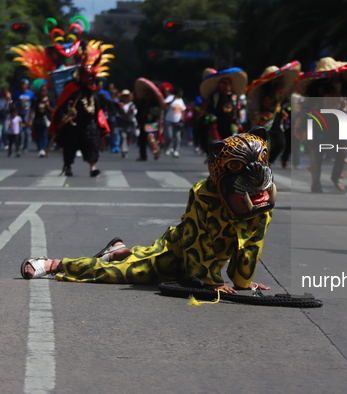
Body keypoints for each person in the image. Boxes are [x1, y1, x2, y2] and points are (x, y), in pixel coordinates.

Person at [21, 127, 277, 294]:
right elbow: (197, 244)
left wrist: (244, 282)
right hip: (177, 255)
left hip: (185, 259)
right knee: (120, 274)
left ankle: (118, 250)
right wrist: (211, 282)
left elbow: (252, 242)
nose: (255, 175)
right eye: (237, 166)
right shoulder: (205, 196)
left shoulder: (260, 198)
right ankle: (52, 264)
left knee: (140, 255)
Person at [296, 56, 347, 192]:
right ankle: (316, 183)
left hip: (339, 122)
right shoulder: (315, 87)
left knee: (343, 150)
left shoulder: (344, 85)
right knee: (317, 152)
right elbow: (307, 107)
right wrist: (301, 126)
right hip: (318, 123)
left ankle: (337, 177)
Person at [48, 55, 111, 177]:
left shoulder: (93, 93)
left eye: (92, 77)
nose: (91, 80)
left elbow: (99, 108)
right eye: (88, 77)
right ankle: (68, 166)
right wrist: (63, 117)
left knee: (91, 145)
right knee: (69, 146)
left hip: (89, 124)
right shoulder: (71, 88)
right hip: (74, 124)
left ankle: (93, 167)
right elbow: (62, 105)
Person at [246, 61, 301, 165]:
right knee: (265, 146)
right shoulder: (264, 93)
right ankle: (261, 164)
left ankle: (268, 162)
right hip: (265, 122)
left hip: (277, 123)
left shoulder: (280, 92)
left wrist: (283, 112)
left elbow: (279, 105)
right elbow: (266, 105)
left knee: (281, 144)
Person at [200, 68, 248, 144]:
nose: (227, 85)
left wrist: (238, 119)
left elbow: (237, 110)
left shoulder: (234, 97)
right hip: (218, 126)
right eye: (224, 83)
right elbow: (208, 110)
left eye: (229, 83)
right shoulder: (215, 96)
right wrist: (212, 117)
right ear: (219, 84)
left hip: (231, 126)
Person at [134, 78, 163, 161]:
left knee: (150, 137)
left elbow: (158, 111)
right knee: (142, 139)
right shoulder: (142, 101)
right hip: (143, 122)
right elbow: (139, 112)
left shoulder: (155, 101)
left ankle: (155, 150)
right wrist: (139, 122)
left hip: (152, 122)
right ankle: (143, 156)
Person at [28, 84, 54, 158]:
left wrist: (48, 106)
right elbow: (31, 110)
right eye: (41, 91)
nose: (43, 92)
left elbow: (53, 111)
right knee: (38, 135)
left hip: (46, 120)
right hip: (38, 120)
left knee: (45, 134)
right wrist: (30, 120)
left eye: (44, 91)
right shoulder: (36, 100)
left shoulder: (49, 100)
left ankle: (44, 149)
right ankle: (40, 148)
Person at [12, 78, 35, 153]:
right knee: (19, 131)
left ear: (27, 85)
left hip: (27, 114)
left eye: (25, 84)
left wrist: (31, 118)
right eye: (22, 84)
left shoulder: (31, 94)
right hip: (19, 114)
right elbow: (13, 103)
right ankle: (19, 145)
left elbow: (33, 105)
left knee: (27, 131)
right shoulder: (17, 93)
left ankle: (25, 146)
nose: (23, 86)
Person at [163, 88, 186, 158]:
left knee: (177, 137)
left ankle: (176, 150)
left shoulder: (181, 100)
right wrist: (173, 100)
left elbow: (183, 109)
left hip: (177, 122)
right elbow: (165, 105)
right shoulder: (170, 97)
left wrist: (182, 116)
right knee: (169, 136)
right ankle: (168, 148)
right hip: (168, 121)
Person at [114, 89, 137, 159]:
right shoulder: (119, 104)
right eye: (124, 96)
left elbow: (135, 113)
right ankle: (124, 151)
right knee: (123, 136)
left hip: (129, 124)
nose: (125, 98)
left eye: (127, 96)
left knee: (128, 138)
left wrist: (133, 111)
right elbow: (116, 113)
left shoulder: (131, 105)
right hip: (122, 124)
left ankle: (126, 148)